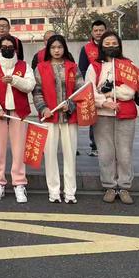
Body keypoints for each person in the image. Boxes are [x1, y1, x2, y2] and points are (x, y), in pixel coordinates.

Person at [85, 31, 138, 205]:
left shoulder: (128, 64)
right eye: (106, 43)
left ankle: (124, 186)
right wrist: (103, 102)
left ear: (119, 45)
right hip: (102, 115)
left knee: (124, 152)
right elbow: (89, 89)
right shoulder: (94, 66)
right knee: (106, 153)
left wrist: (111, 92)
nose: (110, 46)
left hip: (125, 114)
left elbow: (130, 91)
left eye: (113, 42)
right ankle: (109, 185)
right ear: (101, 46)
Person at [0, 35, 35, 203]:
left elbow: (30, 86)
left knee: (19, 150)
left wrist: (14, 80)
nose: (7, 49)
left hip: (18, 112)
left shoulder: (24, 66)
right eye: (3, 46)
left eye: (10, 46)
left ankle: (19, 183)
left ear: (15, 49)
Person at [33, 35, 84, 204]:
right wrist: (43, 108)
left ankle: (70, 192)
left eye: (59, 47)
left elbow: (80, 91)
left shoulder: (73, 67)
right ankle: (53, 191)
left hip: (69, 118)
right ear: (48, 49)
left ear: (64, 48)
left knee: (70, 156)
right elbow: (37, 91)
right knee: (50, 156)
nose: (56, 50)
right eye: (53, 47)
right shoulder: (40, 67)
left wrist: (69, 105)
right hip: (49, 118)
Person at [78, 19, 107, 157]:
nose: (98, 33)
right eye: (96, 30)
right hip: (93, 88)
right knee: (94, 117)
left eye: (101, 30)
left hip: (111, 88)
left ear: (105, 31)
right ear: (92, 32)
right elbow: (82, 70)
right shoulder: (86, 49)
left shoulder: (111, 45)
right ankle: (95, 146)